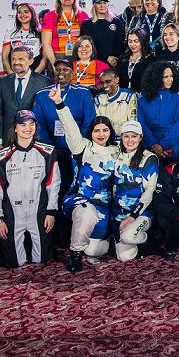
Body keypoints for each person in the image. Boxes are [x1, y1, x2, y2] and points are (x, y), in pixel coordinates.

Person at [53, 93, 120, 272]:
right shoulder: (82, 146)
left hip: (105, 204)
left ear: (110, 132)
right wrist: (60, 104)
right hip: (81, 199)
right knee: (86, 213)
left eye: (105, 130)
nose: (101, 134)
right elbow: (70, 127)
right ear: (91, 132)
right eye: (97, 130)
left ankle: (102, 238)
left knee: (96, 250)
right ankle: (75, 254)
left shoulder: (117, 150)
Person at [0, 110, 62, 266]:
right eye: (23, 124)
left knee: (42, 259)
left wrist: (51, 212)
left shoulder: (48, 152)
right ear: (15, 128)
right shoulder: (1, 156)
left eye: (31, 124)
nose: (28, 128)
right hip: (13, 211)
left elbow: (53, 184)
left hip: (38, 209)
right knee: (14, 262)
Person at [108, 122, 161, 261]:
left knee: (128, 237)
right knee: (124, 257)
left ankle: (148, 239)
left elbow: (149, 191)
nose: (130, 140)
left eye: (134, 136)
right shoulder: (116, 155)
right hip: (119, 211)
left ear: (140, 137)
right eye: (126, 136)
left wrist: (133, 215)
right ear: (121, 137)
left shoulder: (149, 158)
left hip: (141, 212)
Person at [0, 45, 51, 143]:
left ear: (31, 61)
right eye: (13, 59)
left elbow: (46, 114)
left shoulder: (43, 82)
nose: (16, 62)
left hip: (34, 139)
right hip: (8, 139)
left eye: (21, 59)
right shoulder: (3, 82)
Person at [137, 62, 179, 159]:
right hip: (149, 143)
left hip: (173, 143)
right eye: (166, 77)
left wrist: (163, 145)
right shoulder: (142, 97)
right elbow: (141, 124)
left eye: (171, 76)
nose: (170, 80)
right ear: (156, 78)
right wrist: (153, 144)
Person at [41, 0, 89, 66]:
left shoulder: (83, 15)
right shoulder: (49, 16)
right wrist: (54, 64)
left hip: (78, 54)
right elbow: (46, 43)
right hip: (56, 55)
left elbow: (87, 40)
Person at [79, 0, 126, 65]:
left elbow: (121, 42)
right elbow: (86, 45)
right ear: (94, 5)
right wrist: (106, 57)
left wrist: (115, 58)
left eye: (105, 3)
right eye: (99, 3)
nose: (102, 5)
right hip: (94, 61)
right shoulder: (87, 24)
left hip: (114, 62)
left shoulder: (116, 22)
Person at [3, 2, 45, 75]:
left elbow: (45, 57)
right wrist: (11, 73)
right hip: (16, 69)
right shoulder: (10, 32)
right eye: (19, 12)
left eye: (26, 12)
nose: (22, 15)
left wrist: (35, 74)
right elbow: (5, 56)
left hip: (35, 69)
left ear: (32, 13)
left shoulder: (41, 32)